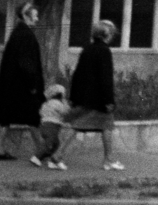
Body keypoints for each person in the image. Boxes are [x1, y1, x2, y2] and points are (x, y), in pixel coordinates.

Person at [0, 2, 44, 160]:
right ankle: (41, 149)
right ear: (26, 16)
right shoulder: (26, 34)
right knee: (33, 115)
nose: (37, 18)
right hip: (22, 85)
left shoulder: (17, 32)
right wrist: (33, 85)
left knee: (6, 116)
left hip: (10, 83)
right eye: (35, 16)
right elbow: (26, 63)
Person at [68, 19, 124, 170]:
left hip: (84, 97)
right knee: (107, 127)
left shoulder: (87, 49)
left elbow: (77, 74)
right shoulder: (104, 51)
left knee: (78, 126)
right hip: (99, 99)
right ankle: (108, 160)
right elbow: (105, 78)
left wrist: (73, 97)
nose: (113, 36)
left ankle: (57, 156)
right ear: (107, 34)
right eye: (112, 33)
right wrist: (109, 100)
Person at [34, 83, 70, 170]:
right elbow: (65, 111)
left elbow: (40, 112)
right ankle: (37, 157)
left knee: (55, 143)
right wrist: (66, 103)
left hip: (44, 125)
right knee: (50, 143)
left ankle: (52, 161)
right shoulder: (57, 104)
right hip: (52, 126)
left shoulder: (46, 104)